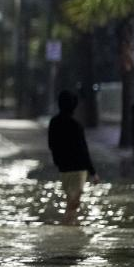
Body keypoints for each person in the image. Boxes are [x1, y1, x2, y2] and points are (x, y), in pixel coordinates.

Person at [48, 90, 99, 224]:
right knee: (74, 199)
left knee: (70, 197)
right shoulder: (76, 125)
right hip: (78, 168)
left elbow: (51, 144)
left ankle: (70, 223)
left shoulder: (54, 122)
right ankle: (68, 223)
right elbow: (83, 149)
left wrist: (57, 161)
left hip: (64, 167)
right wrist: (93, 172)